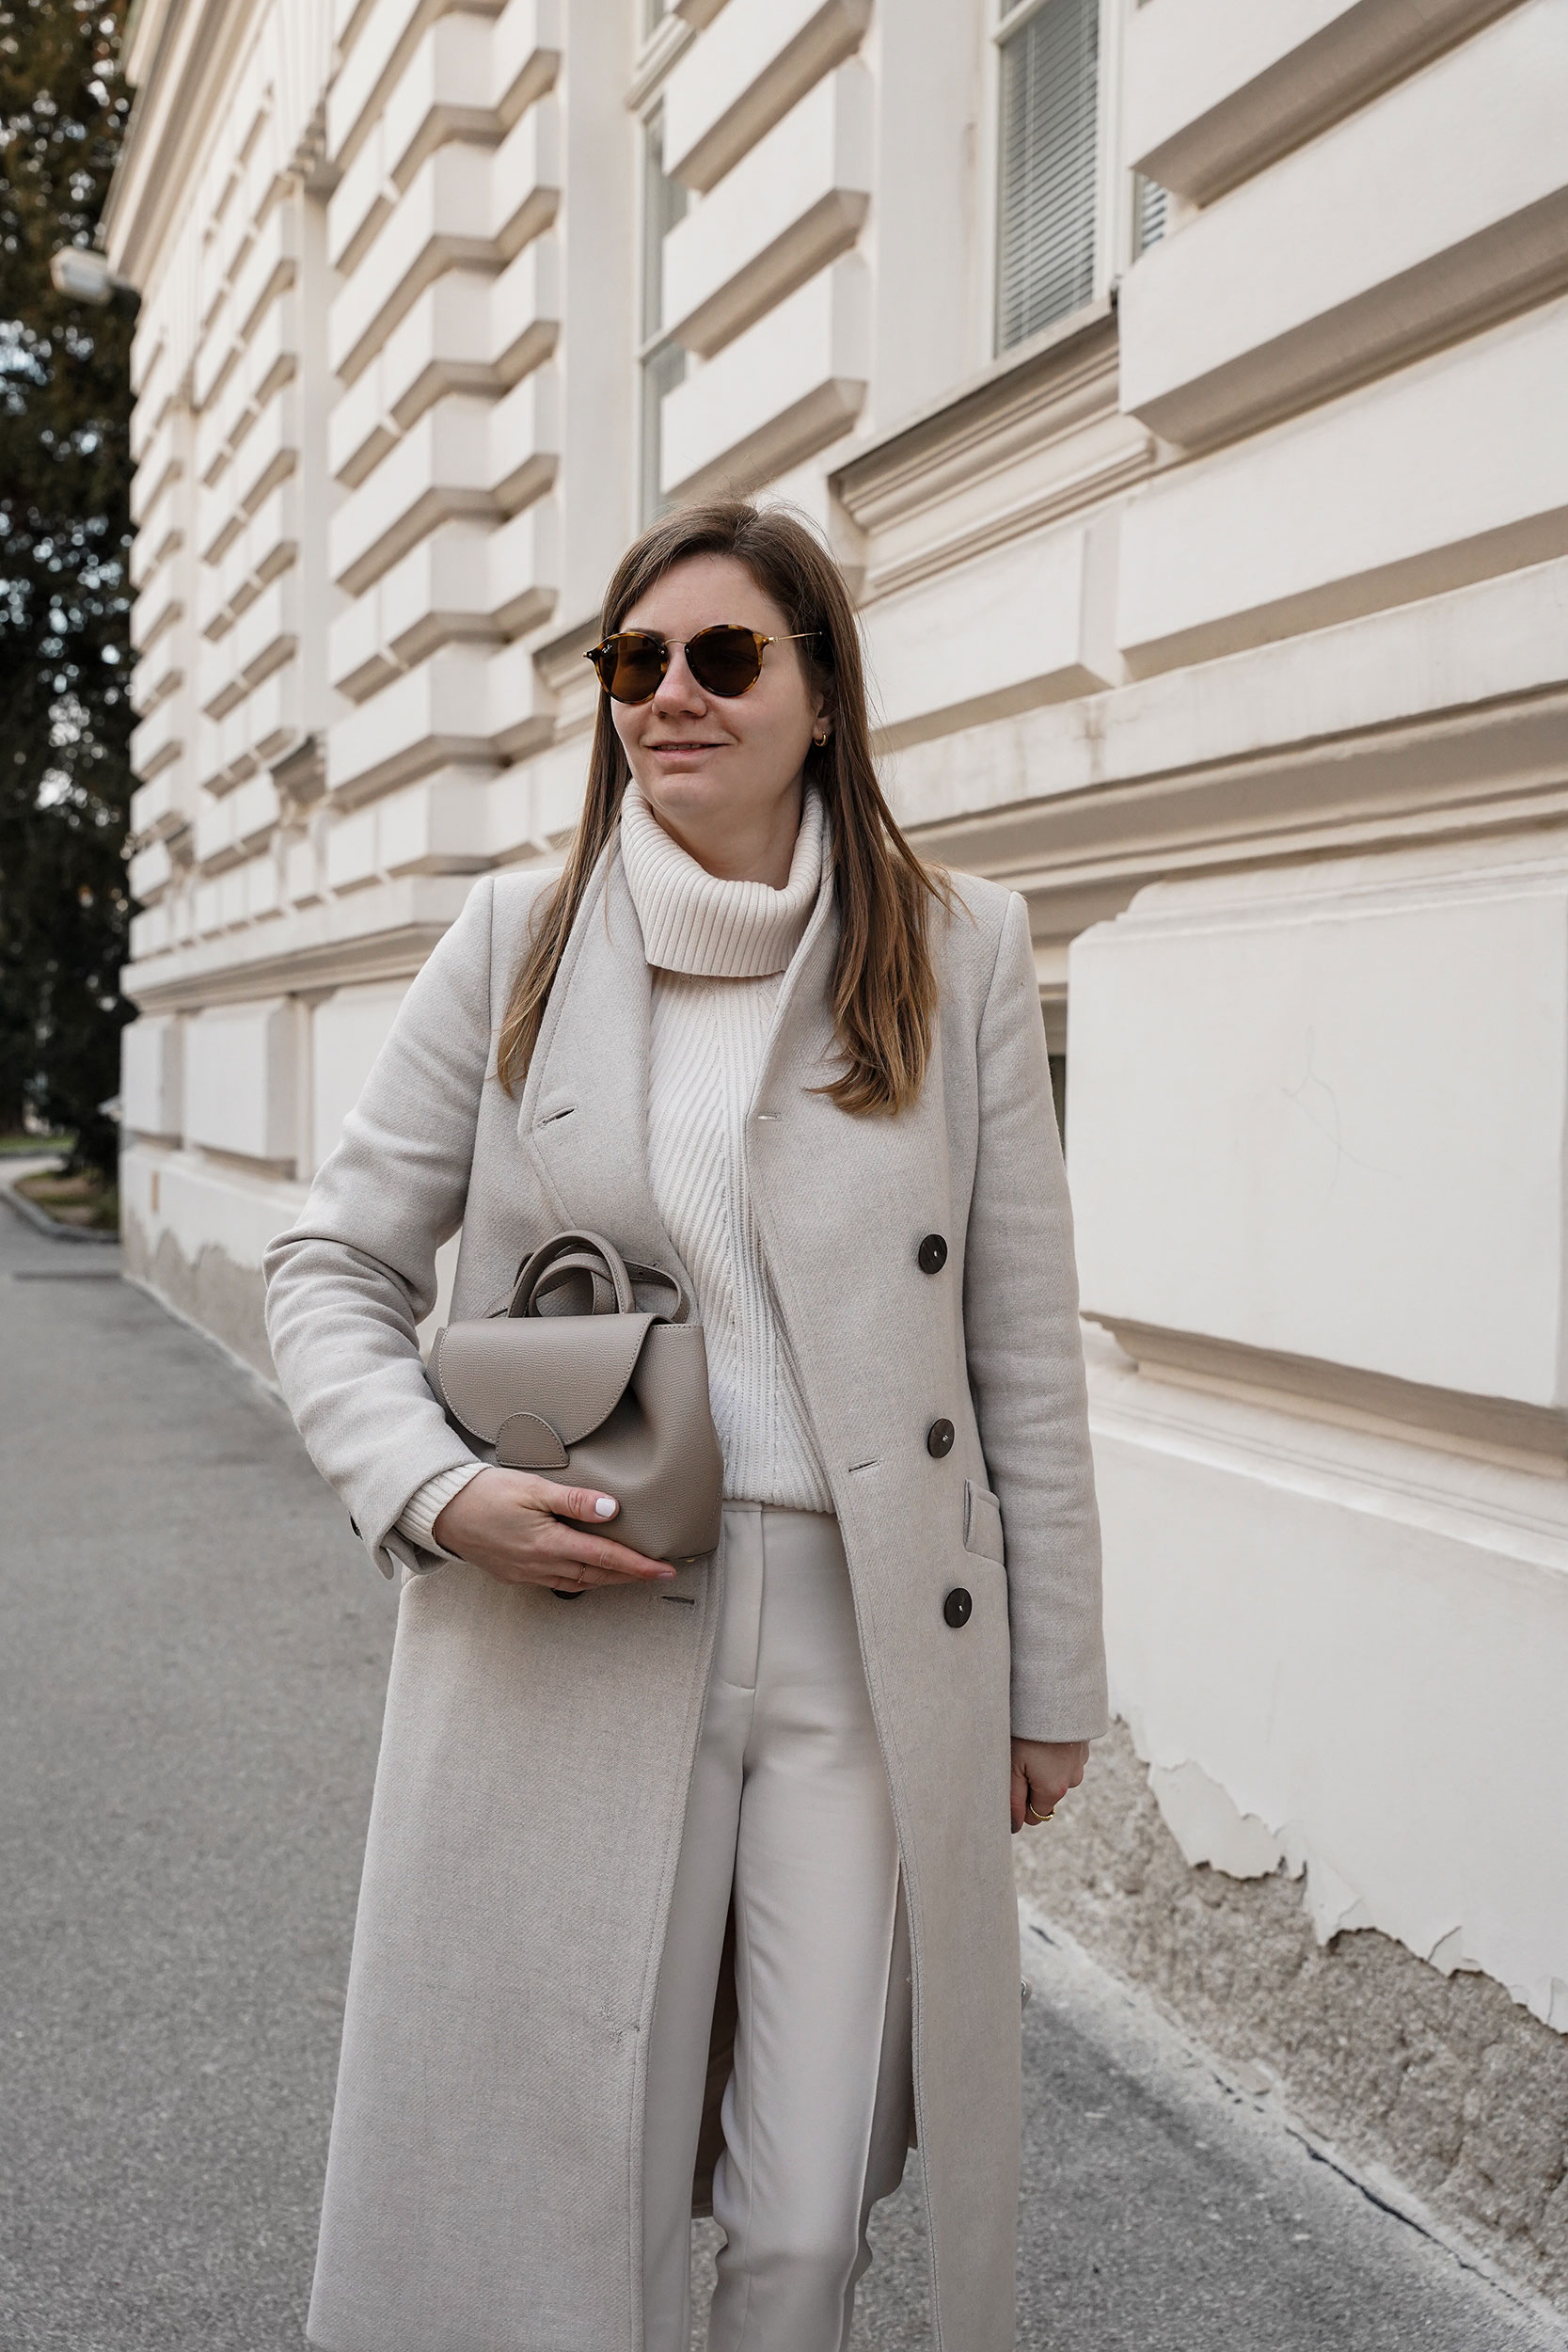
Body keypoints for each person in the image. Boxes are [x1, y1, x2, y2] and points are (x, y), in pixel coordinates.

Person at [263, 499, 1106, 2352]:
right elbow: (326, 1259)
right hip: (579, 1613)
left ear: (822, 693)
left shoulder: (954, 951)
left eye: (724, 656)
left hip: (871, 1636)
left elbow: (1017, 1343)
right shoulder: (519, 940)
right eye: (632, 662)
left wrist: (1050, 1679)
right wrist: (432, 1485)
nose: (669, 695)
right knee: (591, 2184)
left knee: (805, 2220)